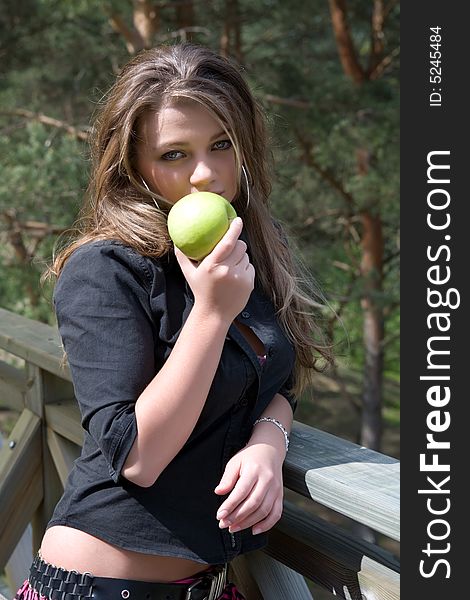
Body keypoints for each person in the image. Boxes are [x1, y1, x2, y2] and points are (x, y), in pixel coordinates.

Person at [15, 43, 333, 600]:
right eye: (174, 154)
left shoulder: (245, 249)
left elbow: (276, 378)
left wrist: (269, 439)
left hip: (205, 585)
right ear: (134, 166)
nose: (206, 174)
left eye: (221, 144)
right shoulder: (106, 269)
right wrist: (211, 312)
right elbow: (136, 457)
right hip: (99, 586)